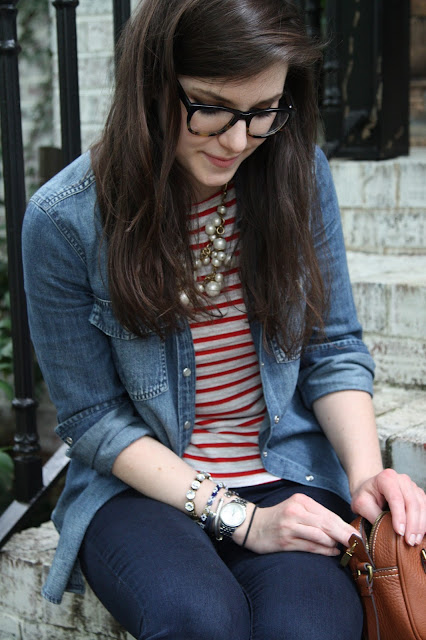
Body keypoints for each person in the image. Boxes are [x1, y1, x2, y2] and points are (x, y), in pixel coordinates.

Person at [22, 1, 425, 639]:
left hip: (284, 471)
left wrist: (366, 473)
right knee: (200, 619)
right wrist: (240, 519)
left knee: (308, 630)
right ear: (150, 83)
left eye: (262, 110)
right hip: (143, 491)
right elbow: (94, 420)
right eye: (210, 107)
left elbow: (332, 347)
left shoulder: (295, 173)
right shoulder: (65, 220)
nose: (238, 141)